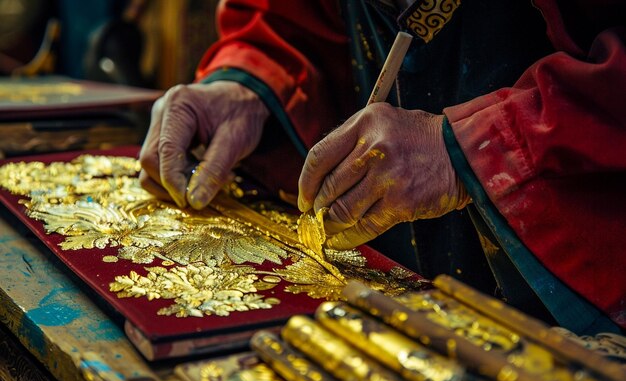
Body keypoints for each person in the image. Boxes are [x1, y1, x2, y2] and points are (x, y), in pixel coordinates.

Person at [138, 0, 626, 334]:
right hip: (380, 267)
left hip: (567, 250)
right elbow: (289, 22)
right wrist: (252, 82)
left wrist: (482, 144)